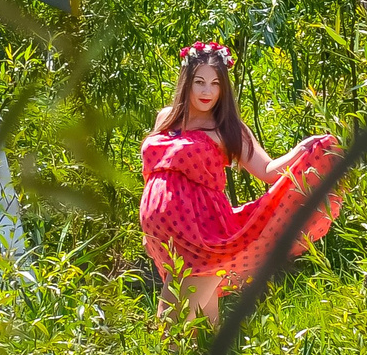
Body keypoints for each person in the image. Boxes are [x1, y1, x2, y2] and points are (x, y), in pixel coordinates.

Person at [138, 41, 345, 324]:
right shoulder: (167, 117)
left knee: (174, 319)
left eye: (215, 84)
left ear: (224, 88)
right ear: (187, 82)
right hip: (166, 236)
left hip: (202, 233)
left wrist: (300, 150)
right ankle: (208, 352)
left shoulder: (227, 129)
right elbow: (155, 172)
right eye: (199, 82)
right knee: (203, 319)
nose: (207, 92)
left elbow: (268, 171)